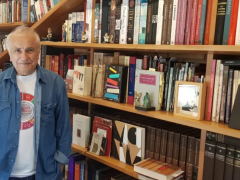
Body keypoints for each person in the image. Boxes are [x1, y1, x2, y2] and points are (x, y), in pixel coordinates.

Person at [0, 26, 72, 180]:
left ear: (39, 52)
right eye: (17, 50)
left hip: (44, 174)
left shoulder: (55, 83)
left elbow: (63, 127)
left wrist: (59, 163)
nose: (24, 56)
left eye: (30, 50)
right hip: (4, 173)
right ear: (10, 54)